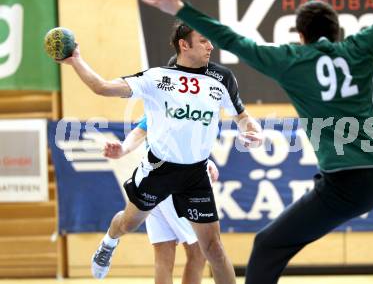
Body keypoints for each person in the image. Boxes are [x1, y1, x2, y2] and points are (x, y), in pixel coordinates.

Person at [141, 0, 373, 284]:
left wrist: (180, 8)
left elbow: (232, 40)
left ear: (301, 36)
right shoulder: (363, 46)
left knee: (268, 246)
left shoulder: (291, 61)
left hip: (347, 184)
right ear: (338, 31)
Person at [58, 21, 263, 284]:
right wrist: (76, 60)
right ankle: (109, 242)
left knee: (212, 249)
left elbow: (243, 117)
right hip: (158, 171)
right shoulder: (156, 79)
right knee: (129, 224)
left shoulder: (222, 79)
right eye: (203, 41)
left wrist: (255, 134)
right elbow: (102, 87)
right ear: (184, 44)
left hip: (196, 175)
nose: (211, 46)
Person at [104, 116, 219, 284]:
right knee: (198, 251)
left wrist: (206, 162)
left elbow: (191, 143)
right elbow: (142, 131)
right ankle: (109, 240)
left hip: (159, 180)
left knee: (163, 254)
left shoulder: (204, 103)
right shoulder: (170, 98)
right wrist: (123, 148)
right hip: (171, 182)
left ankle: (109, 240)